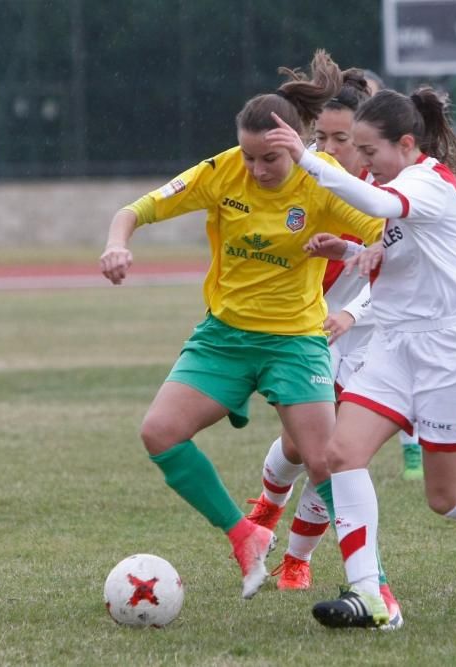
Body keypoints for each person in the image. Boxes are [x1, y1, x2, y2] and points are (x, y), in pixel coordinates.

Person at [99, 50, 386, 602]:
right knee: (159, 433)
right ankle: (245, 535)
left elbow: (384, 230)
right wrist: (117, 245)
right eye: (249, 157)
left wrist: (362, 250)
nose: (255, 170)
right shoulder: (222, 170)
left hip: (296, 343)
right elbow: (135, 210)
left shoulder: (323, 185)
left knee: (330, 465)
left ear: (295, 146)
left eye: (269, 160)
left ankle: (373, 587)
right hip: (224, 338)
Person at [265, 87, 456, 628]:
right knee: (337, 454)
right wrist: (351, 252)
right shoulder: (395, 183)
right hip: (396, 347)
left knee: (444, 496)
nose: (362, 162)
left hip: (453, 354)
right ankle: (371, 598)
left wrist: (306, 158)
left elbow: (378, 207)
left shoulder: (426, 182)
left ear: (405, 144)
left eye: (367, 150)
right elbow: (406, 260)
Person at [245, 71, 417, 610]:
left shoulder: (388, 194)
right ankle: (267, 511)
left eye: (341, 140)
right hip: (313, 330)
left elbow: (398, 266)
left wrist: (352, 309)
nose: (329, 148)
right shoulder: (307, 182)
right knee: (301, 446)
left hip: (370, 335)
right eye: (322, 138)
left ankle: (297, 559)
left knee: (331, 453)